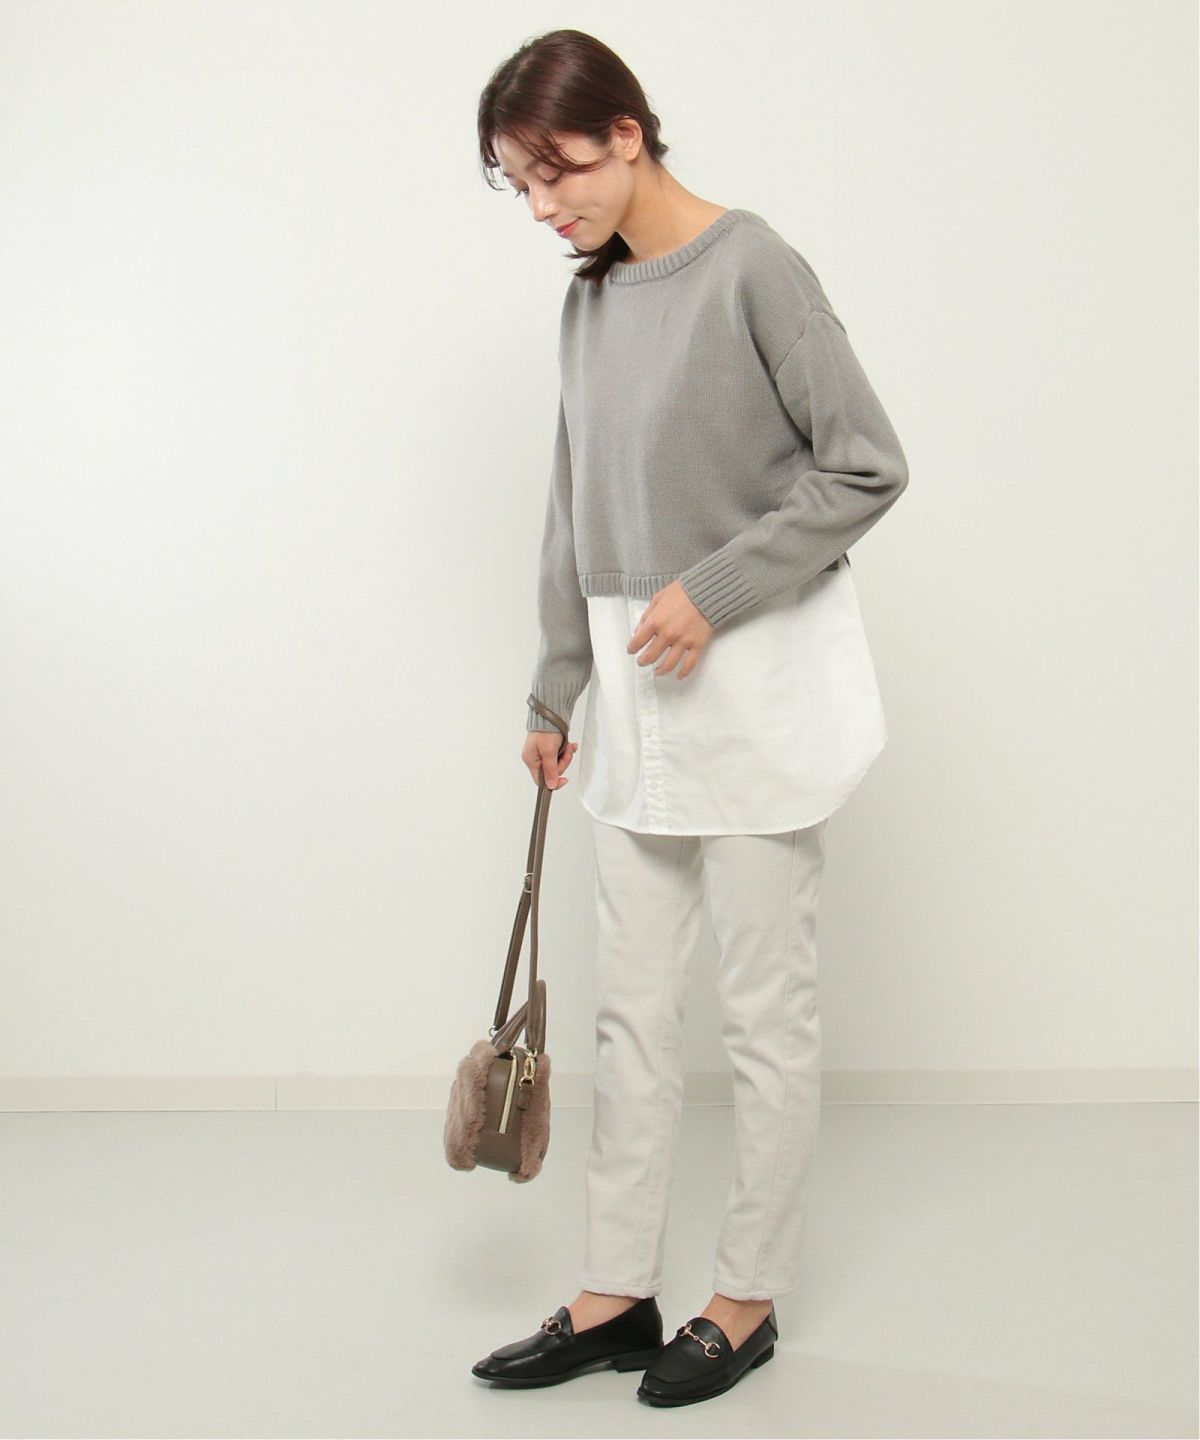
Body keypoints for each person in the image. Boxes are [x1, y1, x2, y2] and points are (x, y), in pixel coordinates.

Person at [470, 28, 908, 1408]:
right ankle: (615, 1293)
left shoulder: (755, 267)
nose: (543, 207)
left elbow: (866, 465)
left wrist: (712, 591)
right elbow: (573, 496)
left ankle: (745, 1297)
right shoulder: (590, 299)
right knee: (632, 1013)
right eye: (520, 186)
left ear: (627, 132)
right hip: (630, 693)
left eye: (555, 172)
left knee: (764, 1013)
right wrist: (557, 678)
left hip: (753, 684)